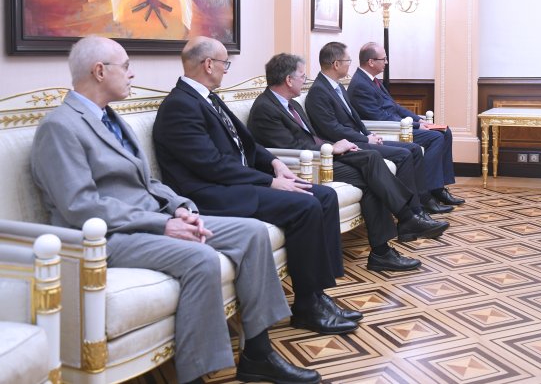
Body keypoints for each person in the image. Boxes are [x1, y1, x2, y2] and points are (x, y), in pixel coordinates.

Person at [30, 36, 320, 384]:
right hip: (105, 238)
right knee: (201, 258)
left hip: (150, 220)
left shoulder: (111, 118)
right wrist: (163, 224)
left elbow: (146, 181)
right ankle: (193, 375)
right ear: (99, 71)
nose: (132, 74)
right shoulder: (60, 127)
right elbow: (82, 207)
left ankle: (258, 354)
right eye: (126, 67)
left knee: (253, 233)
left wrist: (180, 207)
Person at [153, 36, 360, 337]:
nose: (226, 69)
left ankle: (318, 294)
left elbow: (247, 143)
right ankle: (306, 307)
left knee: (325, 195)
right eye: (225, 63)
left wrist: (273, 162)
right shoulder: (180, 106)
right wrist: (270, 181)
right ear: (208, 64)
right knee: (304, 205)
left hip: (235, 182)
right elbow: (211, 166)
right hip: (210, 194)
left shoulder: (208, 97)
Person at [248, 53, 450, 270]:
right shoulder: (265, 109)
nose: (305, 81)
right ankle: (402, 224)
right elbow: (292, 148)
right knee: (371, 167)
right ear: (289, 80)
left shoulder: (293, 105)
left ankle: (387, 247)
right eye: (302, 76)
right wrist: (331, 148)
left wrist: (336, 145)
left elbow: (312, 137)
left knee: (372, 166)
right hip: (306, 165)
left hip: (322, 155)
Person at [305, 41, 454, 215]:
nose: (350, 64)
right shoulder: (320, 91)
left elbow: (357, 119)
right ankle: (415, 210)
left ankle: (422, 203)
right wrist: (365, 138)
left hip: (362, 137)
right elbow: (332, 129)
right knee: (409, 152)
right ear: (336, 64)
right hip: (348, 145)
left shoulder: (337, 86)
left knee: (418, 147)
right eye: (347, 61)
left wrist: (369, 133)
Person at [348, 42, 464, 207]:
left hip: (402, 125)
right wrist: (415, 126)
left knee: (445, 131)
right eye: (383, 59)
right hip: (390, 130)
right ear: (371, 62)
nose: (386, 62)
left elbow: (395, 107)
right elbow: (379, 117)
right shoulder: (360, 84)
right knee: (435, 137)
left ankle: (438, 188)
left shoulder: (372, 80)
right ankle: (427, 193)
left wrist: (419, 120)